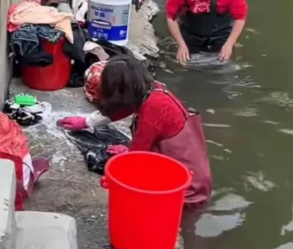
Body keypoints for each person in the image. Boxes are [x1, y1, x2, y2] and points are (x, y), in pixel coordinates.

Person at [57, 56, 211, 205]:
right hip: (189, 174)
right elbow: (124, 108)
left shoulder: (154, 106)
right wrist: (86, 122)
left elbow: (137, 157)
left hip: (185, 190)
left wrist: (113, 179)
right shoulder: (151, 88)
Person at [166, 0, 247, 63]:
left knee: (224, 61)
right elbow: (171, 17)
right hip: (190, 28)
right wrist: (181, 44)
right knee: (185, 61)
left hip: (221, 29)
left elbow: (240, 18)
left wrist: (229, 44)